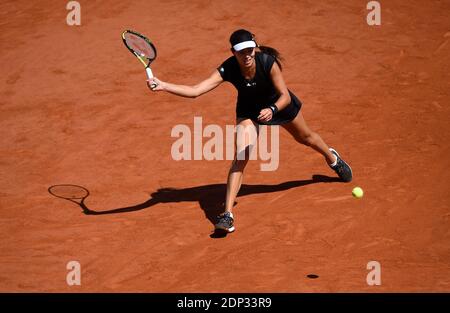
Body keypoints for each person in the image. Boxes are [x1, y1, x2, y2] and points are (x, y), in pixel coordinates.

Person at [147, 29, 352, 234]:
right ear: (233, 53)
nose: (246, 55)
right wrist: (164, 85)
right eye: (241, 52)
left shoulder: (267, 62)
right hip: (249, 111)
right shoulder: (228, 68)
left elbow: (285, 96)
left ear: (255, 48)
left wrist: (272, 110)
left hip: (278, 105)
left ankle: (332, 158)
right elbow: (195, 91)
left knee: (305, 138)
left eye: (249, 50)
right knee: (241, 156)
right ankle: (227, 215)